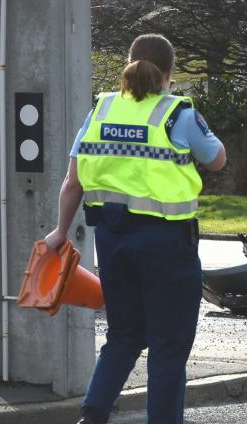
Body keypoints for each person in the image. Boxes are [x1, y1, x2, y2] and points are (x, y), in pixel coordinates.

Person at [44, 34, 226, 424]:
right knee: (168, 345)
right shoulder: (178, 113)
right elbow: (217, 160)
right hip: (168, 247)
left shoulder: (101, 110)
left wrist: (60, 231)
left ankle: (92, 416)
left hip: (112, 242)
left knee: (124, 335)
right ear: (168, 73)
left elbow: (73, 181)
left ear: (129, 65)